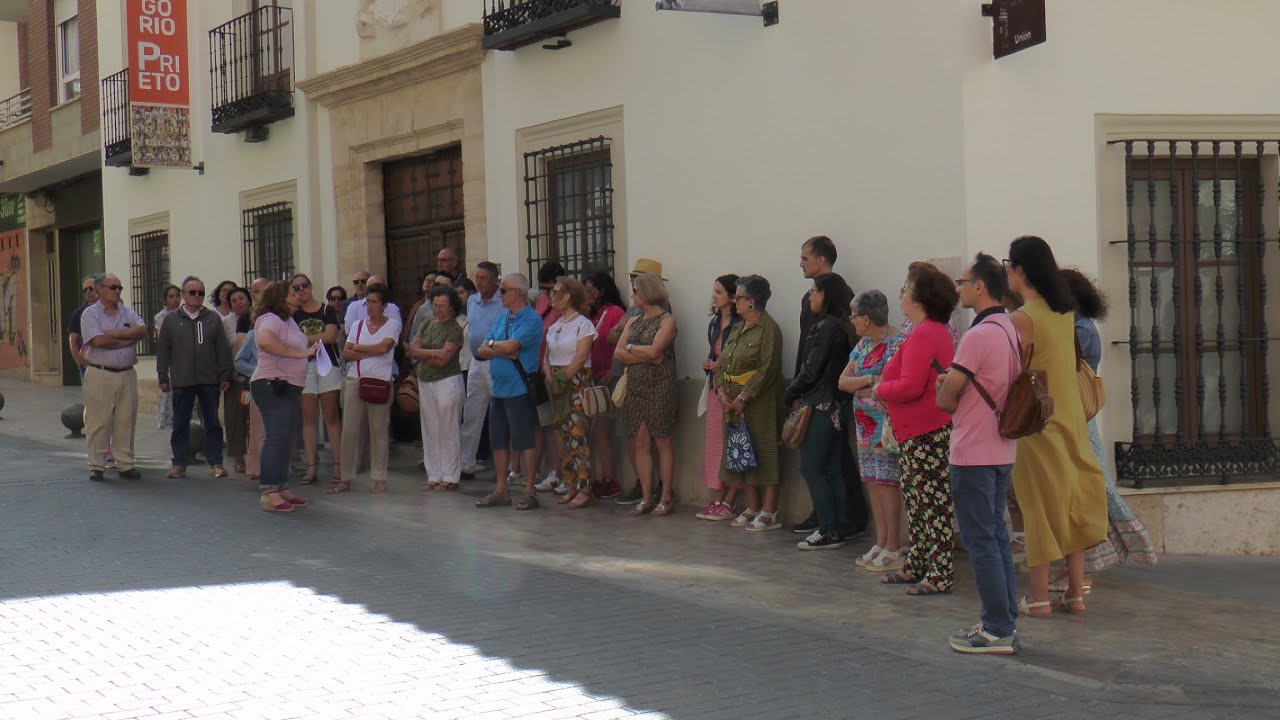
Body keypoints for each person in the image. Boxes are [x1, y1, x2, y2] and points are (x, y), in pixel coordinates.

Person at [1005, 236, 1109, 616]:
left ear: (1020, 270)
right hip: (1070, 422)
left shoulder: (1021, 319)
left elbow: (1009, 373)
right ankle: (1075, 594)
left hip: (1036, 426)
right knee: (1071, 504)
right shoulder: (1064, 314)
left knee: (1038, 509)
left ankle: (1038, 598)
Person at [935, 254, 1021, 654]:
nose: (959, 288)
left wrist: (944, 389)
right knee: (997, 535)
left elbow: (949, 395)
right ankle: (1004, 620)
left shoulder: (978, 334)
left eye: (963, 280)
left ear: (980, 287)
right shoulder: (1008, 328)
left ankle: (995, 628)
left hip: (973, 450)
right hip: (1002, 448)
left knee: (981, 540)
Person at [1051, 269, 1157, 591]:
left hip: (1078, 422)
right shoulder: (1076, 327)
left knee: (1088, 492)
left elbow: (1065, 374)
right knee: (1081, 492)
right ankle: (1077, 570)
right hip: (1075, 420)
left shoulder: (1080, 330)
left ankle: (1081, 573)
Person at [873, 262, 957, 595]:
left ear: (919, 298)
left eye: (906, 290)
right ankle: (919, 563)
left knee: (932, 502)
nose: (902, 296)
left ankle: (940, 572)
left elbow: (909, 385)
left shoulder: (926, 333)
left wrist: (879, 390)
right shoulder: (919, 332)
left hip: (927, 429)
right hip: (913, 430)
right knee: (917, 500)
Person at [793, 235, 867, 537]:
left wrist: (801, 387)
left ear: (821, 259)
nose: (800, 263)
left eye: (805, 257)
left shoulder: (837, 292)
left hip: (828, 390)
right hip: (816, 386)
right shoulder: (816, 295)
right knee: (828, 459)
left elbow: (832, 346)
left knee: (830, 460)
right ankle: (828, 514)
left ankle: (845, 517)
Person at [786, 273, 855, 549]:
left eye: (814, 291)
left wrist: (790, 393)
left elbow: (811, 369)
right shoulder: (839, 325)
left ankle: (828, 529)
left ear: (825, 294)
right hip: (836, 404)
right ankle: (837, 526)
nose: (810, 297)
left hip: (822, 404)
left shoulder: (825, 326)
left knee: (812, 468)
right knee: (832, 469)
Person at [839, 291, 907, 571]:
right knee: (871, 480)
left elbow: (890, 382)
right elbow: (843, 382)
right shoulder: (863, 344)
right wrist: (868, 380)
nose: (851, 321)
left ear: (866, 318)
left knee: (888, 482)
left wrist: (867, 385)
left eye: (854, 316)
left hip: (886, 425)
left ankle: (893, 544)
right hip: (864, 424)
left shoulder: (897, 342)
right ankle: (880, 541)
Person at [715, 275, 785, 530]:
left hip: (759, 402)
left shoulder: (769, 329)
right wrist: (723, 395)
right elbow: (722, 364)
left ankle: (769, 509)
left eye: (739, 297)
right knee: (741, 452)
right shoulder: (736, 328)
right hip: (731, 403)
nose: (735, 301)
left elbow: (767, 368)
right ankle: (752, 505)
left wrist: (744, 397)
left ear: (752, 302)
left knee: (763, 452)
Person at [474, 273, 543, 510]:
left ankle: (530, 490)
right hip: (499, 390)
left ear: (516, 293)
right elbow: (481, 348)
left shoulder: (531, 320)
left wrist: (496, 346)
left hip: (519, 389)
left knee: (524, 441)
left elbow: (514, 347)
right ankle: (501, 490)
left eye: (503, 290)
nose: (499, 294)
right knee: (499, 442)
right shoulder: (503, 317)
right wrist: (499, 347)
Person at [614, 273, 679, 517]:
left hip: (661, 384)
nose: (633, 295)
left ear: (648, 293)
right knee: (640, 440)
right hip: (636, 384)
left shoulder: (667, 320)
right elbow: (619, 353)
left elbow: (657, 351)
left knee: (662, 439)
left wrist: (635, 350)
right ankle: (645, 496)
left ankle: (666, 496)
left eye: (636, 291)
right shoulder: (633, 321)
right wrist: (639, 352)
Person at [157, 276, 234, 479]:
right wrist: (162, 376)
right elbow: (163, 349)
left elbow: (222, 349)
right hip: (182, 380)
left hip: (209, 380)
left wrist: (225, 374)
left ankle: (216, 462)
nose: (197, 296)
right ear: (184, 295)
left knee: (212, 423)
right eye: (193, 292)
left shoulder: (212, 318)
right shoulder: (172, 320)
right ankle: (179, 463)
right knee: (180, 423)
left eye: (201, 292)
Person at [250, 281, 315, 512]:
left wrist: (310, 350)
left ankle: (281, 485)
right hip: (272, 384)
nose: (297, 296)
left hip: (288, 386)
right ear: (281, 298)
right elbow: (265, 342)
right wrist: (300, 354)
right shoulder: (270, 319)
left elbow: (299, 345)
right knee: (276, 437)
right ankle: (269, 491)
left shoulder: (288, 321)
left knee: (286, 437)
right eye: (292, 293)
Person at [331, 283, 401, 494]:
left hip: (380, 381)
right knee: (350, 430)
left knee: (378, 430)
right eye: (367, 302)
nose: (369, 306)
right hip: (356, 379)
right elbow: (346, 353)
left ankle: (379, 477)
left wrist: (359, 348)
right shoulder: (358, 325)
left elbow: (384, 347)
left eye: (374, 302)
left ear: (383, 305)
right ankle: (346, 477)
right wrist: (370, 350)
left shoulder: (393, 325)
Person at [79, 274, 147, 481]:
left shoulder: (128, 312)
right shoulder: (90, 314)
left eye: (120, 288)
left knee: (126, 419)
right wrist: (128, 337)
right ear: (100, 290)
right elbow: (98, 340)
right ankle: (96, 465)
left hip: (126, 372)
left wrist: (115, 334)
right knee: (98, 420)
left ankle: (125, 463)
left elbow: (142, 330)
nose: (117, 291)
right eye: (113, 287)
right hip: (101, 372)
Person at [543, 277, 597, 508]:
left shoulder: (583, 324)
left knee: (577, 433)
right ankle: (571, 483)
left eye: (555, 293)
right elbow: (546, 355)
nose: (551, 297)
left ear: (568, 296)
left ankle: (585, 486)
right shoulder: (555, 325)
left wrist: (564, 378)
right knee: (563, 436)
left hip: (575, 381)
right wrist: (549, 375)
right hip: (557, 382)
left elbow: (581, 355)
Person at [696, 274, 743, 521]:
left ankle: (730, 501)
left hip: (734, 390)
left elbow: (738, 358)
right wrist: (710, 366)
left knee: (733, 444)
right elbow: (714, 354)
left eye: (718, 292)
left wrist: (720, 365)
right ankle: (716, 499)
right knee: (714, 444)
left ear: (732, 297)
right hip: (716, 389)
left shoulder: (740, 324)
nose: (713, 296)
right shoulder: (714, 324)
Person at [411, 286, 466, 491]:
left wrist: (424, 353)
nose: (438, 309)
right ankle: (433, 475)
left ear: (452, 307)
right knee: (430, 429)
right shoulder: (426, 324)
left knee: (448, 429)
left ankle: (451, 476)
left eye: (443, 306)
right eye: (435, 305)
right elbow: (413, 350)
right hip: (426, 381)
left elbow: (445, 359)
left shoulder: (454, 329)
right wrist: (433, 353)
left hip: (447, 381)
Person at [291, 273, 343, 484]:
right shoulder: (294, 314)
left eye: (304, 285)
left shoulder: (326, 309)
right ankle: (311, 466)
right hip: (305, 366)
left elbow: (330, 336)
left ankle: (338, 465)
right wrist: (314, 338)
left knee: (331, 416)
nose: (301, 290)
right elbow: (293, 340)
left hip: (327, 364)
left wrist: (304, 339)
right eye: (296, 288)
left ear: (310, 286)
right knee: (308, 418)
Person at [584, 272, 626, 499]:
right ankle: (601, 477)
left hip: (611, 378)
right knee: (598, 431)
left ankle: (609, 478)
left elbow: (617, 343)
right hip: (595, 379)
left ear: (602, 290)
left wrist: (612, 371)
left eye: (591, 288)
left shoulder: (615, 313)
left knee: (606, 430)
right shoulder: (593, 314)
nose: (588, 293)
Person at [460, 261, 504, 479]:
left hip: (496, 361)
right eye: (476, 277)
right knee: (472, 412)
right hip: (476, 362)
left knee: (499, 414)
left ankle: (504, 468)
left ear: (495, 278)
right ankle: (466, 464)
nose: (478, 282)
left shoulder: (503, 301)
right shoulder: (472, 301)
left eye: (483, 278)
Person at [531, 261, 567, 494]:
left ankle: (567, 474)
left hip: (559, 372)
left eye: (550, 289)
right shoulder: (544, 300)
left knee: (562, 425)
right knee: (547, 425)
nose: (547, 293)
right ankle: (553, 472)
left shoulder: (566, 302)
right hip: (540, 369)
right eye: (544, 289)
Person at [224, 287, 252, 474]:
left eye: (241, 298)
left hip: (257, 375)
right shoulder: (226, 322)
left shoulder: (259, 318)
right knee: (236, 418)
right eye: (234, 300)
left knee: (254, 418)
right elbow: (225, 349)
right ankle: (238, 456)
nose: (238, 302)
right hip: (236, 376)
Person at [234, 329, 262, 481]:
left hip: (281, 387)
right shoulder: (253, 334)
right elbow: (239, 362)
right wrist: (258, 371)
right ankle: (256, 467)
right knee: (257, 428)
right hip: (258, 386)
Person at [154, 284, 181, 431]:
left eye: (177, 296)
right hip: (170, 361)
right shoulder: (161, 317)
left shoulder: (185, 313)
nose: (175, 299)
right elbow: (163, 342)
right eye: (171, 297)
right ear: (165, 300)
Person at [67, 274, 101, 383]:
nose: (88, 292)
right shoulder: (78, 313)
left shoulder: (107, 309)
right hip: (88, 363)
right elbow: (73, 340)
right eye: (85, 290)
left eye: (91, 288)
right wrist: (80, 362)